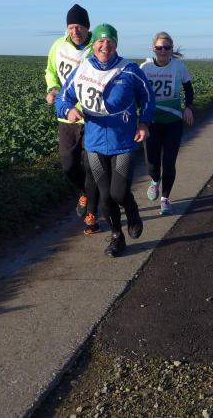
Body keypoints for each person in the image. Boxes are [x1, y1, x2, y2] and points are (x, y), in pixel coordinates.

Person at [57, 24, 155, 257]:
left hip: (124, 142)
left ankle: (131, 209)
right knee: (105, 196)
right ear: (94, 45)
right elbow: (63, 98)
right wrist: (68, 109)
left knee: (119, 193)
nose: (105, 45)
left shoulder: (129, 70)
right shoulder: (83, 70)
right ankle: (116, 237)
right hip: (95, 143)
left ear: (116, 44)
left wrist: (144, 123)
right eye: (101, 41)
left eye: (110, 41)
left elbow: (148, 98)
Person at [44, 4, 101, 234]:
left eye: (79, 26)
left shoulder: (97, 47)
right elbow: (50, 71)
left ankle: (92, 215)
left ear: (87, 27)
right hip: (67, 116)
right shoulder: (58, 45)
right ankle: (85, 193)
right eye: (71, 27)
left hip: (91, 117)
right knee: (69, 166)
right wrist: (52, 89)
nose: (75, 31)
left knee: (91, 167)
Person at [140, 32, 195, 215]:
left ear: (171, 49)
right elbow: (135, 91)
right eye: (159, 48)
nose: (163, 51)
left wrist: (188, 107)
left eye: (167, 47)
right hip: (152, 122)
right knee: (152, 162)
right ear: (153, 49)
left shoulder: (178, 66)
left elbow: (188, 89)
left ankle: (165, 199)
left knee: (169, 162)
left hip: (173, 121)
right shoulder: (145, 67)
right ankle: (155, 180)